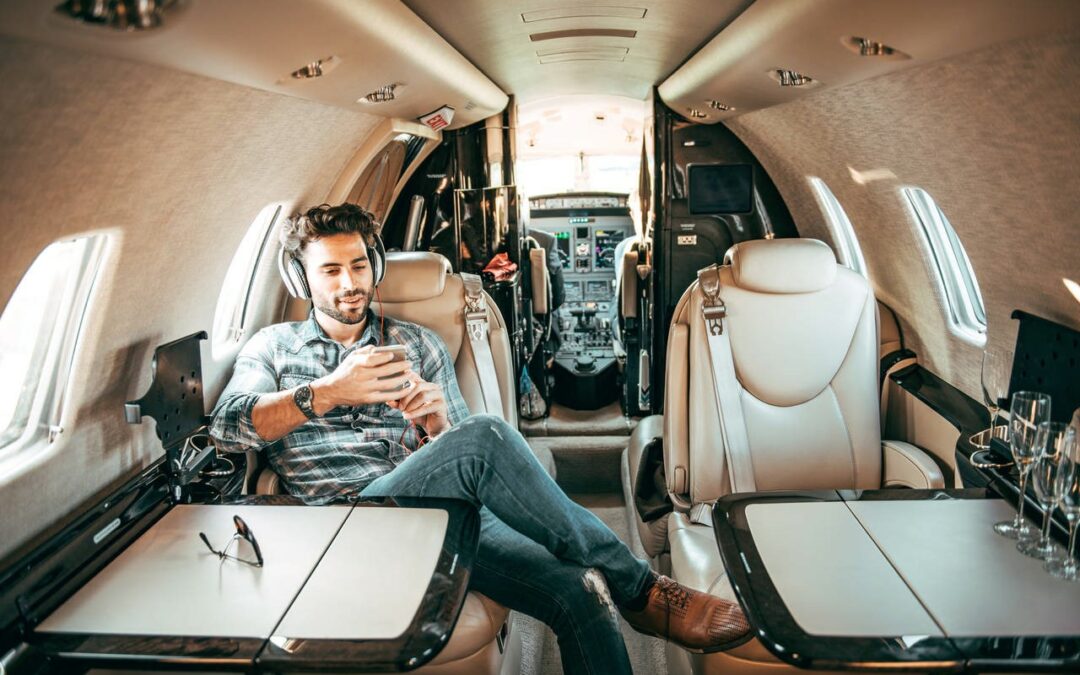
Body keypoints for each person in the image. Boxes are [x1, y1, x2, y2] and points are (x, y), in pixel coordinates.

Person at [210, 203, 749, 674]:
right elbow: (227, 426)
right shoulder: (273, 347)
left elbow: (464, 454)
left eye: (357, 265)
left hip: (428, 515)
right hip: (341, 524)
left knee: (580, 590)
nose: (349, 282)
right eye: (330, 270)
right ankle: (643, 590)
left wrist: (437, 424)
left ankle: (621, 588)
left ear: (374, 266)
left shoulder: (417, 343)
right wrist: (325, 393)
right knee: (488, 434)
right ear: (302, 280)